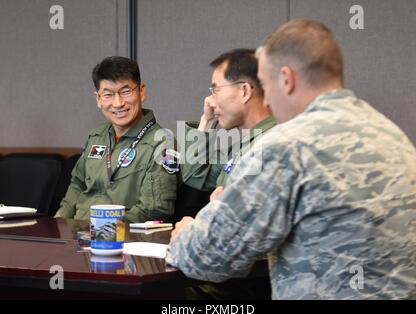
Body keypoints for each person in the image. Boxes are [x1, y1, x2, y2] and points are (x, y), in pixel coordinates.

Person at [166, 20, 416, 299]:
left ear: (286, 79)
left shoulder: (286, 147)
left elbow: (205, 258)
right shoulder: (392, 136)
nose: (268, 100)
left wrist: (190, 231)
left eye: (267, 85)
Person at [55, 56, 179, 222]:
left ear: (142, 92)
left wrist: (104, 229)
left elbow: (155, 209)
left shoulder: (163, 142)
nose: (118, 103)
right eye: (108, 94)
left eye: (126, 92)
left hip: (122, 239)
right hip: (78, 234)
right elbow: (77, 185)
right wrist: (59, 223)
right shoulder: (96, 136)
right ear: (98, 99)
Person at [181, 48, 276, 205]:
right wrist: (207, 121)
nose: (209, 101)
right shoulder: (244, 145)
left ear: (244, 91)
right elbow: (195, 176)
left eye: (215, 90)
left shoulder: (269, 144)